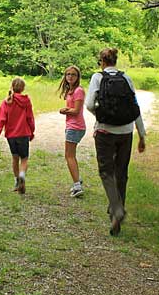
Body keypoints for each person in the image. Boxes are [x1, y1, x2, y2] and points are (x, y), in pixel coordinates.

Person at [85, 48, 146, 236]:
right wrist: (142, 134)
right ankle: (116, 212)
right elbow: (135, 106)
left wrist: (102, 115)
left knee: (106, 171)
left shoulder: (98, 78)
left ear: (102, 61)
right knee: (121, 171)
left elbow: (88, 104)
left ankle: (116, 208)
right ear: (115, 60)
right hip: (126, 132)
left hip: (105, 131)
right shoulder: (126, 78)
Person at [0, 77, 36, 194]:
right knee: (24, 158)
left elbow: (0, 121)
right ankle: (22, 175)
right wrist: (32, 131)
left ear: (12, 87)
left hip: (11, 136)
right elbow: (30, 118)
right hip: (23, 134)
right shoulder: (26, 101)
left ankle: (17, 181)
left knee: (15, 158)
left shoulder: (6, 102)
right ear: (23, 88)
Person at [58, 65, 86, 198]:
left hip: (75, 127)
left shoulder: (79, 90)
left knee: (68, 156)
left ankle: (77, 186)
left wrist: (64, 110)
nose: (70, 76)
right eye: (68, 74)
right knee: (71, 155)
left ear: (78, 77)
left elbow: (76, 111)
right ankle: (77, 179)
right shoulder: (71, 90)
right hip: (72, 126)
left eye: (73, 74)